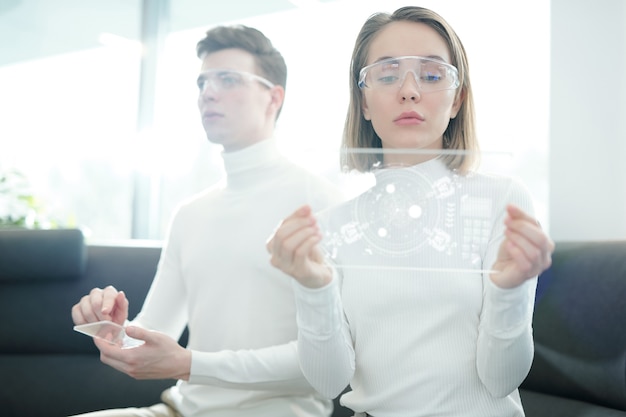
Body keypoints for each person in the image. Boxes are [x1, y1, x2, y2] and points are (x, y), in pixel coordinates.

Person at [266, 6, 555, 417]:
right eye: (386, 75)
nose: (409, 90)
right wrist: (312, 290)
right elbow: (330, 382)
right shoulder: (335, 226)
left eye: (432, 75)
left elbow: (502, 379)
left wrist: (509, 292)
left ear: (457, 100)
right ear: (363, 102)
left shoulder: (501, 201)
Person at [71, 24, 342, 417]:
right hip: (179, 409)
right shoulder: (190, 214)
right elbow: (149, 338)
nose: (208, 93)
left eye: (228, 79)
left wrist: (190, 364)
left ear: (273, 97)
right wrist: (111, 329)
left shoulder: (319, 203)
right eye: (202, 83)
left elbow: (329, 367)